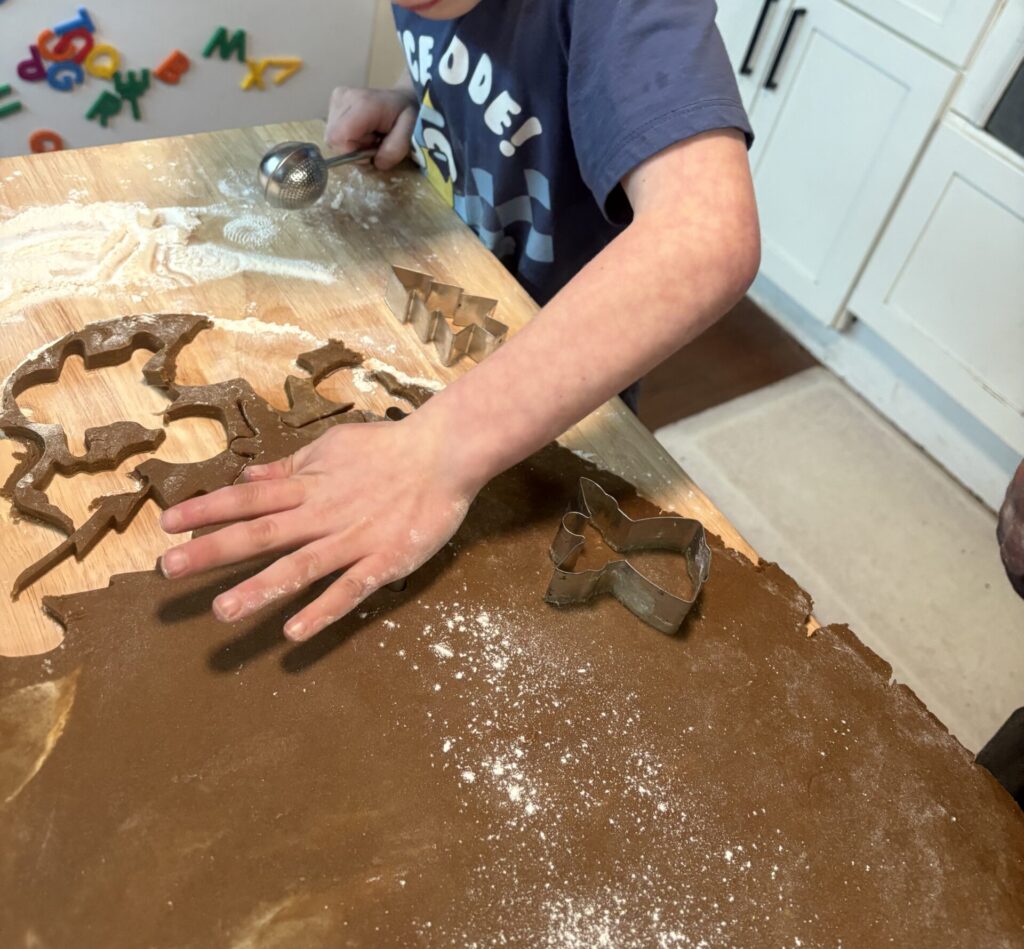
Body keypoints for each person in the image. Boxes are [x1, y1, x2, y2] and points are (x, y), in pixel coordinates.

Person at [157, 0, 760, 642]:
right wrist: (412, 99)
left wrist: (433, 450)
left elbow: (705, 233)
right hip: (474, 307)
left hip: (565, 381)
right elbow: (485, 62)